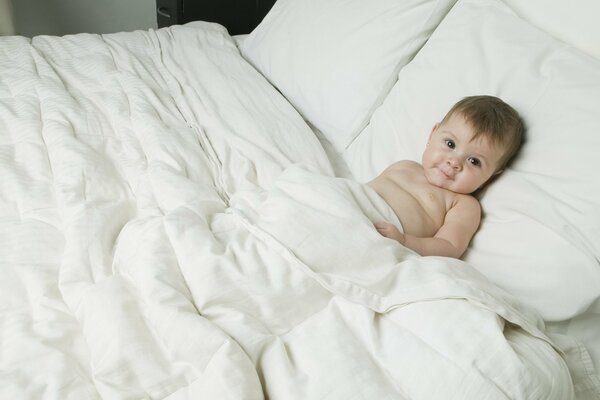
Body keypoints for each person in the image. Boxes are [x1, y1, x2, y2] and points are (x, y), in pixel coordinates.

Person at [368, 95, 524, 258]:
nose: (454, 162)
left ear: (491, 177)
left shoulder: (463, 204)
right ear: (432, 135)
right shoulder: (404, 166)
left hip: (383, 235)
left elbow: (449, 246)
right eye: (450, 144)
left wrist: (404, 242)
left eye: (474, 161)